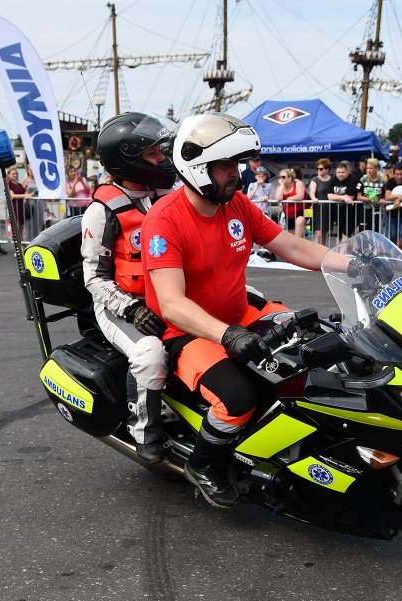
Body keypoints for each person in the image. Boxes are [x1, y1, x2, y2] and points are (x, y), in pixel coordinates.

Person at [142, 113, 337, 508]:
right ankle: (204, 464)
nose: (238, 173)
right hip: (189, 333)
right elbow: (172, 304)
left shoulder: (237, 205)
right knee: (237, 398)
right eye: (227, 165)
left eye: (238, 164)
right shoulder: (164, 221)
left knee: (321, 344)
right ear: (198, 168)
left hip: (242, 313)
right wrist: (228, 335)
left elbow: (291, 246)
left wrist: (352, 263)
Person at [81, 112, 176, 463]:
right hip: (121, 304)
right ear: (128, 159)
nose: (162, 159)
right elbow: (94, 278)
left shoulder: (170, 195)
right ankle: (145, 433)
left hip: (171, 295)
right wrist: (132, 309)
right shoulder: (102, 210)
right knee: (149, 354)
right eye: (153, 154)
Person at [326, 160, 358, 243]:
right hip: (339, 213)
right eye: (338, 172)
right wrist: (343, 197)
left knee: (345, 235)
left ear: (347, 171)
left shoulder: (353, 180)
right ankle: (339, 254)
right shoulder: (333, 179)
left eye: (342, 172)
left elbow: (350, 197)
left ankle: (342, 254)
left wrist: (338, 197)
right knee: (339, 236)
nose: (340, 174)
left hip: (352, 213)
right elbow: (329, 196)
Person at [272, 168, 306, 237]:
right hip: (288, 214)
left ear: (289, 177)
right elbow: (278, 198)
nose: (281, 178)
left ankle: (298, 245)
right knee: (291, 233)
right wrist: (282, 185)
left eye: (283, 177)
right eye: (280, 177)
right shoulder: (280, 187)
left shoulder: (298, 183)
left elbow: (300, 196)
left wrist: (289, 198)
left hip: (301, 211)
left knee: (299, 223)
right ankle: (295, 246)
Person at [356, 158, 385, 234]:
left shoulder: (382, 181)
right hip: (365, 211)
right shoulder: (363, 179)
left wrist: (382, 200)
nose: (368, 170)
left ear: (376, 168)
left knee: (376, 233)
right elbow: (358, 196)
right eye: (367, 168)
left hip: (377, 211)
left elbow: (384, 196)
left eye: (371, 168)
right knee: (364, 233)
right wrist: (369, 199)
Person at [309, 158, 333, 245]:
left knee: (324, 233)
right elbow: (312, 192)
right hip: (318, 209)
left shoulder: (332, 179)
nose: (319, 170)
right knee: (317, 233)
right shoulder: (315, 180)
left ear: (327, 169)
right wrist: (313, 198)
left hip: (328, 210)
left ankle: (322, 253)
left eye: (321, 168)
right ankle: (314, 253)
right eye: (317, 169)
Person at [5, 167, 29, 241]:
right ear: (8, 175)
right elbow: (12, 196)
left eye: (16, 174)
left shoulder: (19, 184)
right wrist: (25, 195)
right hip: (14, 208)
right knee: (16, 228)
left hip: (21, 207)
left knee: (21, 229)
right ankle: (17, 245)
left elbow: (24, 192)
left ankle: (21, 244)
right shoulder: (8, 184)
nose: (15, 175)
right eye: (13, 174)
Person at [22, 164, 44, 242]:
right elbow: (22, 192)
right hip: (30, 204)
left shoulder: (39, 180)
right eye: (30, 169)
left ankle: (38, 241)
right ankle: (29, 241)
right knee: (29, 224)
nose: (32, 171)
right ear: (28, 170)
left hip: (39, 203)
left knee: (39, 222)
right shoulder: (25, 180)